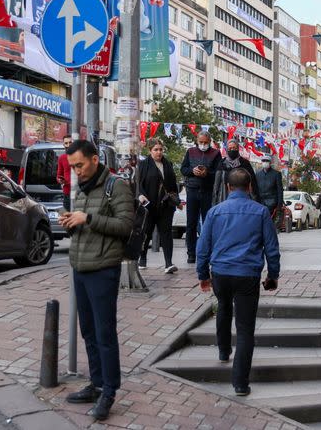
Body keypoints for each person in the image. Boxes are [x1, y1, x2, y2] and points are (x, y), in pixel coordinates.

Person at [60, 140, 133, 422]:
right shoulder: (83, 188)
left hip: (103, 268)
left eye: (79, 165)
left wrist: (88, 218)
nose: (76, 171)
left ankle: (109, 391)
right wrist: (71, 222)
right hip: (80, 266)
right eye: (72, 167)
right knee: (88, 332)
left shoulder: (117, 186)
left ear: (94, 159)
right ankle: (96, 383)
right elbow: (84, 225)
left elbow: (125, 226)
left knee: (105, 333)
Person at [196, 169, 281, 397]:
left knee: (223, 308)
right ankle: (240, 383)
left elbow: (203, 247)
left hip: (221, 273)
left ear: (228, 188)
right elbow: (271, 248)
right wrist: (273, 276)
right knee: (245, 330)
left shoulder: (215, 212)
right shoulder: (261, 212)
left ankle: (224, 351)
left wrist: (203, 274)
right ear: (250, 187)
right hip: (247, 275)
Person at [136, 138, 180, 273]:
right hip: (149, 206)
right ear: (150, 151)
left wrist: (176, 200)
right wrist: (140, 195)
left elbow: (173, 185)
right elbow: (137, 183)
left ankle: (168, 263)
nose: (159, 152)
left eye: (161, 149)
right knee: (146, 233)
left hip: (165, 206)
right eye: (156, 149)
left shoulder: (168, 164)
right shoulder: (143, 165)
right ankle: (142, 260)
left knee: (166, 234)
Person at [180, 132, 222, 264]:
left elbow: (219, 172)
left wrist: (207, 173)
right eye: (201, 142)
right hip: (192, 190)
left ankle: (208, 253)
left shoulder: (216, 153)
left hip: (207, 192)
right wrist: (193, 171)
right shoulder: (190, 151)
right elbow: (183, 169)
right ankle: (191, 253)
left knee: (208, 223)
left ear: (210, 141)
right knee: (191, 224)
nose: (203, 145)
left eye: (205, 142)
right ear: (197, 141)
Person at [213, 139, 258, 205]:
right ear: (226, 149)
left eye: (234, 148)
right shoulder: (222, 163)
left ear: (238, 149)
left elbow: (252, 182)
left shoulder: (245, 163)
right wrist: (214, 201)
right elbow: (216, 184)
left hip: (242, 198)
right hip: (224, 197)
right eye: (230, 148)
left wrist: (255, 199)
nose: (232, 150)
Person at [255, 155, 284, 224]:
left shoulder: (276, 174)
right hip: (260, 202)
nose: (265, 162)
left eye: (267, 161)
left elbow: (280, 190)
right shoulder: (258, 174)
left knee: (268, 222)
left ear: (270, 163)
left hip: (272, 203)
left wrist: (279, 204)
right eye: (263, 161)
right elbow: (255, 189)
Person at [56, 134, 72, 211]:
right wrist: (60, 180)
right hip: (67, 193)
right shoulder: (61, 158)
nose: (68, 145)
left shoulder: (80, 156)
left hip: (79, 192)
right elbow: (59, 175)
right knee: (68, 219)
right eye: (66, 143)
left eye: (70, 142)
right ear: (63, 144)